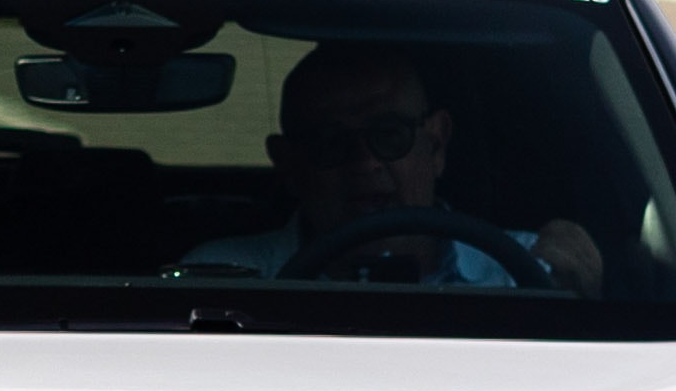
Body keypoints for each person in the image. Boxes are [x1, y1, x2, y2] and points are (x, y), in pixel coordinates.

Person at [183, 45, 603, 292]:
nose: (364, 163)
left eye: (389, 135)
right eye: (331, 142)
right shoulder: (223, 278)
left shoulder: (528, 272)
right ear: (290, 165)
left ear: (436, 144)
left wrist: (584, 301)